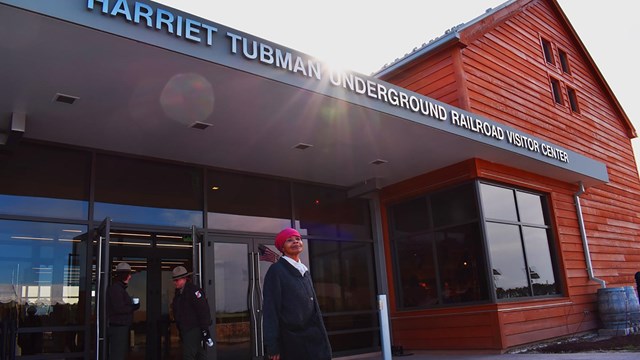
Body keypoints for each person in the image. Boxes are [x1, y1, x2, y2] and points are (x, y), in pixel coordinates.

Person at [262, 228, 332, 360]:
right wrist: (272, 345)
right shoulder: (276, 271)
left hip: (313, 339)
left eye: (298, 239)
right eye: (289, 240)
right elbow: (270, 310)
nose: (295, 242)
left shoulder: (304, 271)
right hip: (291, 341)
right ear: (282, 247)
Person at [171, 266, 213, 360]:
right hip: (185, 329)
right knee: (199, 353)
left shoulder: (193, 291)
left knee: (188, 355)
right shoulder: (179, 293)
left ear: (184, 279)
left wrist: (204, 329)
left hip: (193, 328)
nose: (174, 282)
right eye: (174, 280)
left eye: (177, 280)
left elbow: (203, 310)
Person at [106, 262, 140, 359]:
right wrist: (133, 307)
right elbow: (119, 308)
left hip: (119, 326)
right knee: (118, 354)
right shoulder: (116, 289)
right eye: (129, 275)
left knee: (119, 353)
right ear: (124, 275)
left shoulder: (118, 289)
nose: (130, 277)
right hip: (118, 327)